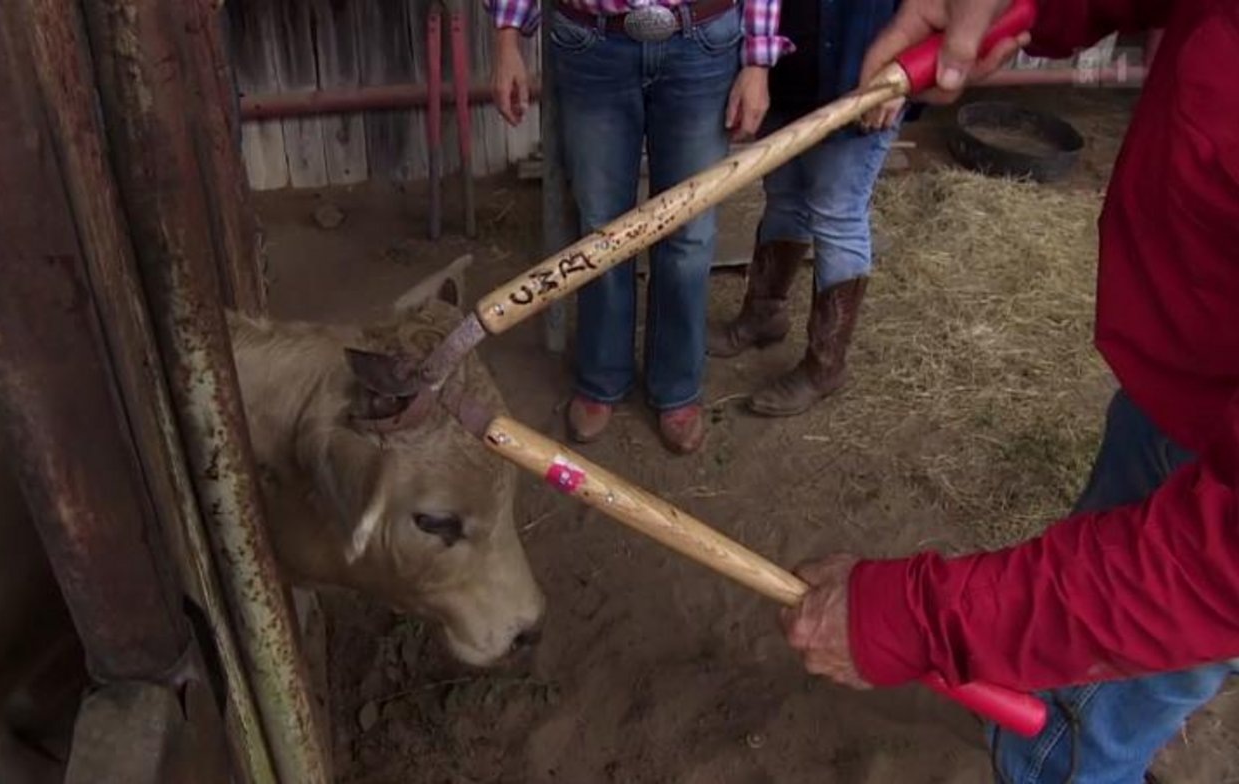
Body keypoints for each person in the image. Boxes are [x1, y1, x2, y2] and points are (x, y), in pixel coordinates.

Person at [776, 0, 1239, 781]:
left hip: (1208, 478)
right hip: (1179, 379)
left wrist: (912, 619)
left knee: (1073, 734)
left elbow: (1214, 568)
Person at [487, 0, 787, 454]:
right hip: (592, 40)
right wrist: (507, 39)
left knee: (688, 230)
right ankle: (602, 374)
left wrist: (758, 60)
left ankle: (677, 386)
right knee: (601, 226)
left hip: (702, 39)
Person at [707, 0, 907, 418]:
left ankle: (825, 365)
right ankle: (764, 314)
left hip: (861, 71)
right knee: (783, 194)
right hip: (787, 69)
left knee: (838, 213)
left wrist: (904, 68)